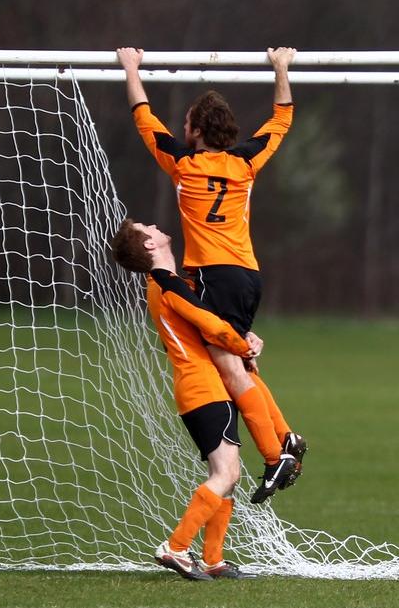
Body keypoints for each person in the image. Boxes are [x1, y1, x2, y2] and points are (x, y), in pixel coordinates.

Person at [116, 45, 306, 502]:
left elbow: (146, 121)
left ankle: (276, 452)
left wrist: (132, 70)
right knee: (239, 363)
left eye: (186, 125)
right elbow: (281, 119)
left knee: (229, 368)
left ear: (197, 131)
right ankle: (287, 440)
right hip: (247, 274)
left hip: (216, 277)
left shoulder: (183, 165)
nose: (182, 130)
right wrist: (281, 69)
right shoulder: (245, 164)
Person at [109, 218, 303, 580]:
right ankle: (176, 548)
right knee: (225, 472)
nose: (154, 225)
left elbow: (213, 325)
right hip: (202, 388)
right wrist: (239, 344)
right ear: (150, 246)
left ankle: (213, 560)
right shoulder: (167, 286)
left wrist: (246, 338)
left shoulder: (177, 283)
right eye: (146, 228)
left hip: (205, 386)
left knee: (225, 474)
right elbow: (212, 327)